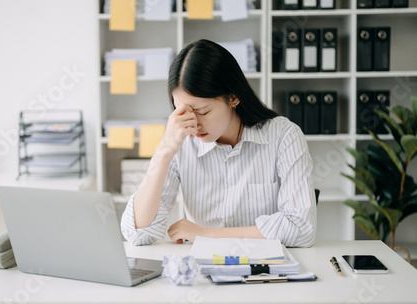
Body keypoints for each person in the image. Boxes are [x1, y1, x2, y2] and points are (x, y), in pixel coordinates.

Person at [121, 39, 316, 247]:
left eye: (203, 112)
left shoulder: (284, 136)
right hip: (204, 271)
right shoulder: (181, 143)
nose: (194, 124)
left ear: (233, 97)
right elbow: (138, 234)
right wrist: (165, 151)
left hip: (266, 272)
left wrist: (206, 234)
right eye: (183, 112)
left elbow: (302, 229)